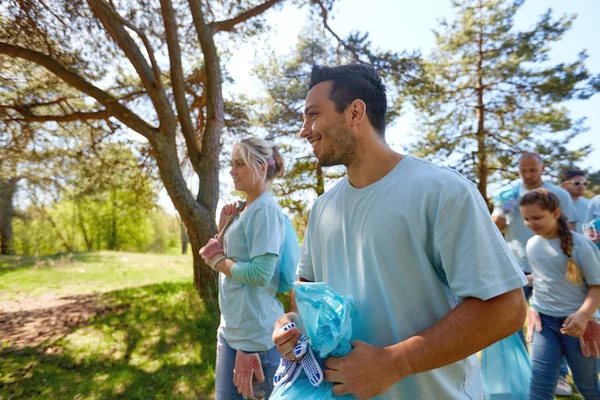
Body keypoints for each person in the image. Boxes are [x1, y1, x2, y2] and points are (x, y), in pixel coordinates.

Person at [272, 64, 527, 400]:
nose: (304, 130)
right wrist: (290, 325)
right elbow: (304, 290)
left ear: (355, 112)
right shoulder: (322, 208)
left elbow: (506, 308)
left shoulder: (442, 191)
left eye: (313, 114)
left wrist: (394, 363)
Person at [200, 137, 290, 399]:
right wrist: (223, 227)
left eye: (239, 164)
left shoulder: (265, 210)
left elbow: (259, 274)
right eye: (231, 164)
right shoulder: (245, 209)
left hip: (255, 340)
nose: (231, 170)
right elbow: (236, 261)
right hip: (232, 330)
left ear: (261, 167)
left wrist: (216, 260)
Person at [519, 189, 600, 400]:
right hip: (544, 325)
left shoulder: (581, 245)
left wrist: (583, 315)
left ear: (555, 213)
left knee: (587, 385)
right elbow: (542, 277)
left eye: (537, 217)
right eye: (526, 218)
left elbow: (597, 287)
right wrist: (533, 305)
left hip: (579, 326)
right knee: (539, 386)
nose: (531, 223)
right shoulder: (532, 244)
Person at [492, 152, 578, 299]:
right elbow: (494, 229)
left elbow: (569, 228)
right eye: (523, 170)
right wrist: (501, 211)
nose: (527, 174)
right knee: (512, 316)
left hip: (550, 262)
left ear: (542, 169)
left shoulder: (558, 194)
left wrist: (567, 258)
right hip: (516, 263)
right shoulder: (508, 195)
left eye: (532, 170)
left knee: (550, 314)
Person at [561, 170, 590, 234]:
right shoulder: (554, 204)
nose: (581, 186)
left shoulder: (590, 204)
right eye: (577, 183)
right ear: (564, 185)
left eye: (584, 183)